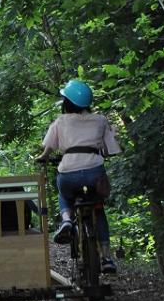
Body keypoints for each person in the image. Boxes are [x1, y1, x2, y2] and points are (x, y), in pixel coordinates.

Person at [35, 79, 123, 273]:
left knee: (63, 193)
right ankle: (107, 257)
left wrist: (43, 157)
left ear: (67, 102)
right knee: (98, 208)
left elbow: (49, 147)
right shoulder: (101, 120)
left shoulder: (61, 121)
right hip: (95, 175)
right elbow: (110, 151)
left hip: (69, 174)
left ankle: (66, 219)